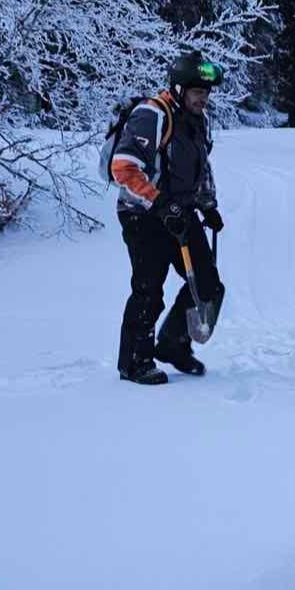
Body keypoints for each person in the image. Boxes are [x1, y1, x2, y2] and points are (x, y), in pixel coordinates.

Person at [111, 56, 225, 385]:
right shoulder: (152, 114)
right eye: (196, 91)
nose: (203, 98)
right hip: (142, 214)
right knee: (148, 290)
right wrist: (159, 203)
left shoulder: (196, 120)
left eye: (206, 92)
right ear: (179, 88)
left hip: (180, 213)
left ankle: (173, 344)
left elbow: (199, 167)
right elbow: (124, 168)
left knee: (207, 285)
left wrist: (208, 206)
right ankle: (134, 362)